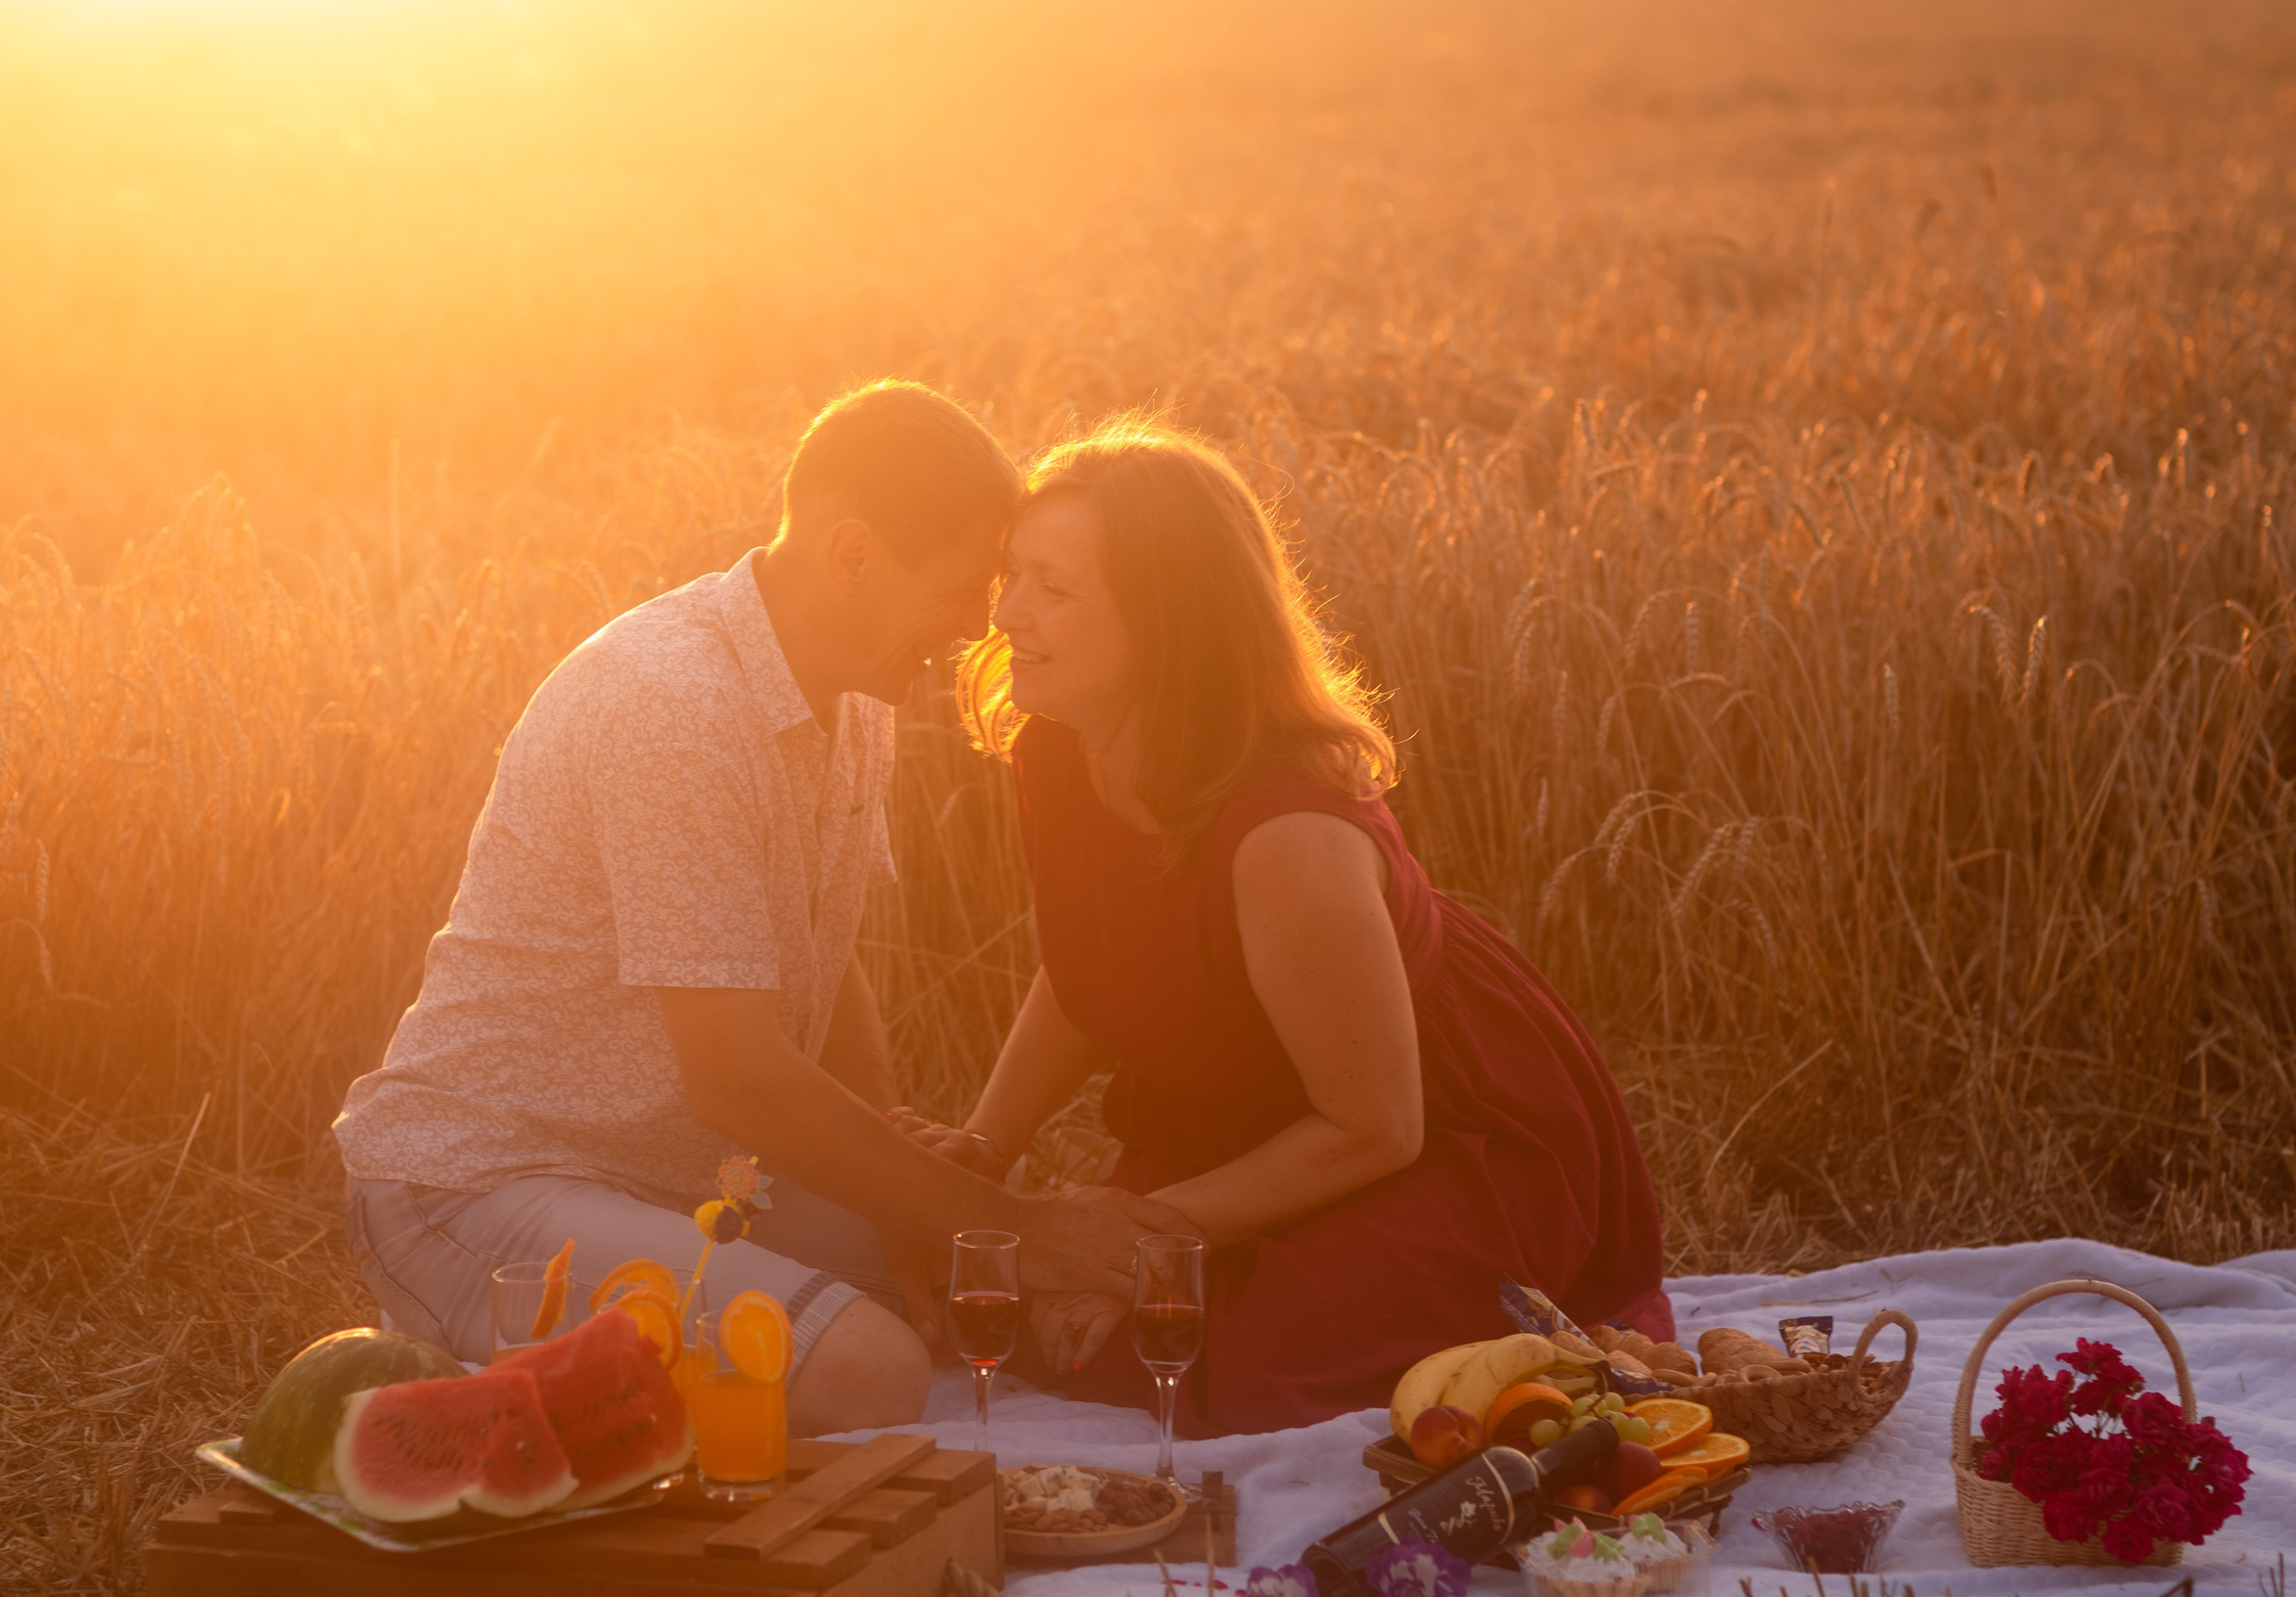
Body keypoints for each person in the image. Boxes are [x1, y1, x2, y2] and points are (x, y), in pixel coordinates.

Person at [333, 382, 1192, 1435]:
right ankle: (459, 1377)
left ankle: (584, 1357)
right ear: (852, 553)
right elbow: (735, 1074)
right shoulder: (672, 703)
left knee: (973, 1282)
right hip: (474, 1183)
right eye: (964, 589)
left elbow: (831, 959)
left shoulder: (855, 695)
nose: (982, 626)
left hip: (687, 1178)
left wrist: (907, 1190)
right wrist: (1023, 1222)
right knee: (872, 1368)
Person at [892, 421, 1671, 1437]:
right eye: (1013, 576)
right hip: (1241, 1116)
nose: (1006, 614)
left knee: (1238, 1367)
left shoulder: (1290, 837)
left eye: (1054, 588)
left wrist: (1130, 1242)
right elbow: (1089, 961)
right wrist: (981, 1147)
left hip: (1437, 1136)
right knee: (1058, 1322)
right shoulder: (1062, 746)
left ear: (1169, 622)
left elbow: (1375, 1126)